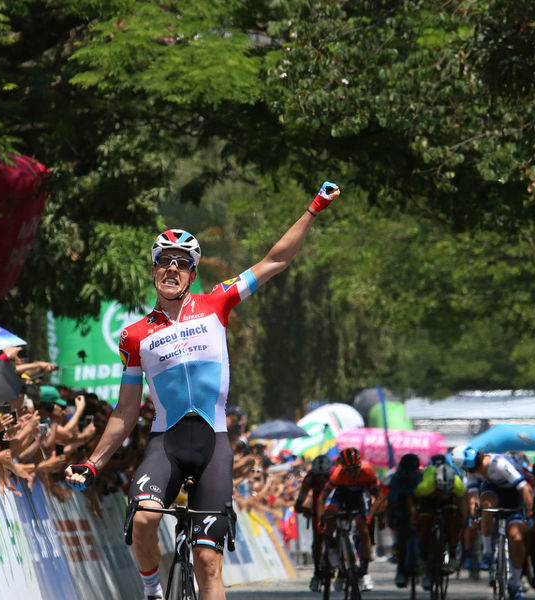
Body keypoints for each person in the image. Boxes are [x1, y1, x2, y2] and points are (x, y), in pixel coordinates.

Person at [65, 181, 341, 600]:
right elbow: (124, 412)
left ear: (192, 273)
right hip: (166, 442)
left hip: (212, 443)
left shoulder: (217, 304)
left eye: (181, 263)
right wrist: (92, 463)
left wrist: (314, 207)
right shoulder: (134, 336)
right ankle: (152, 591)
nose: (171, 269)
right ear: (154, 269)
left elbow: (276, 259)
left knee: (209, 562)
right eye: (164, 262)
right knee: (142, 519)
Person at [459, 446, 535, 600]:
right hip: (492, 493)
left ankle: (515, 584)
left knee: (517, 538)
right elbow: (473, 497)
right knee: (486, 506)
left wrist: (528, 514)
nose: (477, 472)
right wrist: (475, 516)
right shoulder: (472, 471)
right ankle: (487, 552)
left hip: (514, 495)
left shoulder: (499, 464)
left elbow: (526, 489)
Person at [320, 447, 380, 592]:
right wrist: (322, 517)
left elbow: (380, 496)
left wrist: (370, 515)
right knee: (331, 514)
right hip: (341, 496)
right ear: (343, 467)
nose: (353, 473)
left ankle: (364, 572)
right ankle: (332, 547)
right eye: (349, 469)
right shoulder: (337, 474)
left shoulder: (368, 470)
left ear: (360, 464)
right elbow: (322, 497)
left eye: (356, 468)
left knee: (364, 531)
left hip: (359, 498)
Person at [413, 462, 465, 590]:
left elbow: (463, 501)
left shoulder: (459, 487)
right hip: (428, 499)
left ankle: (452, 553)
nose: (444, 494)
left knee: (453, 521)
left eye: (447, 491)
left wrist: (463, 519)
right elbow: (415, 497)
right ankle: (423, 558)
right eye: (442, 491)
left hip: (449, 503)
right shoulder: (426, 486)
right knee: (425, 525)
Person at [376, 452, 423, 588]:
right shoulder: (395, 478)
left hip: (420, 510)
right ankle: (401, 570)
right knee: (401, 541)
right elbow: (392, 501)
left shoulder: (421, 476)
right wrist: (390, 519)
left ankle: (427, 569)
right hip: (402, 512)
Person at [294, 454, 334, 592]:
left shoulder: (337, 476)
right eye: (319, 477)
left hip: (335, 503)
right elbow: (299, 503)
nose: (322, 480)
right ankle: (317, 571)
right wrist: (303, 508)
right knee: (318, 539)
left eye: (325, 477)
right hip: (318, 507)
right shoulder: (309, 478)